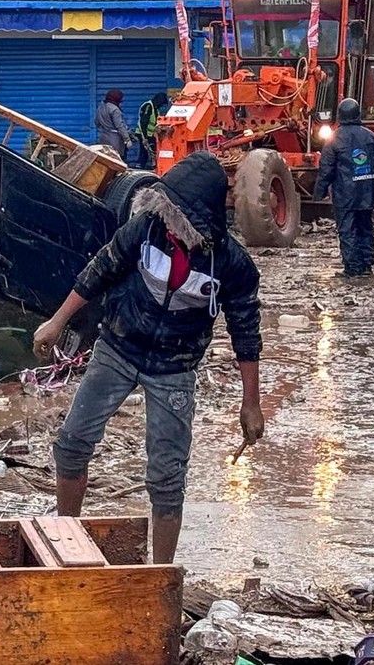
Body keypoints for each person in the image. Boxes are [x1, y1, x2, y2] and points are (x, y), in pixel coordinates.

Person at [34, 151, 263, 564]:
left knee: (167, 477)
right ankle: (66, 540)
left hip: (175, 368)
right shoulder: (144, 229)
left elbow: (245, 333)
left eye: (177, 218)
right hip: (119, 347)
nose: (169, 225)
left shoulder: (231, 265)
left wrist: (251, 403)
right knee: (71, 446)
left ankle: (161, 572)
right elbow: (99, 270)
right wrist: (56, 322)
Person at [315, 98, 374, 277]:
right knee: (365, 228)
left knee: (347, 231)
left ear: (340, 115)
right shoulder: (370, 136)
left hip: (344, 195)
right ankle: (366, 266)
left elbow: (326, 169)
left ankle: (352, 268)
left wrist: (319, 193)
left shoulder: (334, 139)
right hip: (366, 193)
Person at [134, 92, 169, 169]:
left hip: (150, 134)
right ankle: (140, 166)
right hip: (144, 133)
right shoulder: (148, 106)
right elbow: (143, 123)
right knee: (145, 151)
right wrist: (144, 138)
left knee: (149, 151)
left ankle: (144, 165)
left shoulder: (155, 108)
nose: (161, 106)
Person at [95, 89, 130, 160]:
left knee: (105, 160)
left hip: (103, 138)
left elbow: (96, 122)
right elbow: (120, 126)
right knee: (117, 161)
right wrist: (127, 139)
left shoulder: (100, 107)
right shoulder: (115, 110)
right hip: (114, 140)